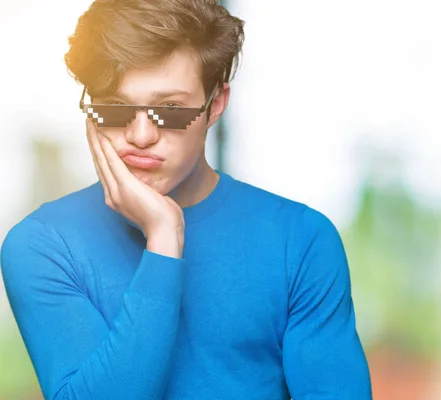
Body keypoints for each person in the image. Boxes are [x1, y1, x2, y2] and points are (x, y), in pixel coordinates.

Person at [0, 0, 372, 399]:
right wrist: (163, 239)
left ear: (215, 105)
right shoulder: (43, 244)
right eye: (115, 108)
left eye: (170, 110)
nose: (141, 135)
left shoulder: (300, 241)